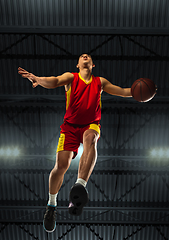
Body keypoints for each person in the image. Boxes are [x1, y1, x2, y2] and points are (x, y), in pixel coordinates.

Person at [18, 54, 132, 232]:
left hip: (90, 125)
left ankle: (79, 185)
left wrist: (141, 92)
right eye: (82, 56)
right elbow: (54, 81)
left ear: (92, 65)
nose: (85, 56)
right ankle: (51, 205)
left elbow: (124, 91)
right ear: (77, 64)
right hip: (69, 127)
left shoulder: (100, 82)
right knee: (61, 166)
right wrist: (38, 79)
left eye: (88, 57)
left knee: (91, 138)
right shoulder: (71, 77)